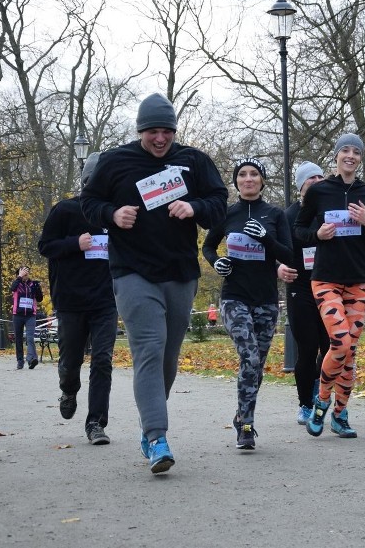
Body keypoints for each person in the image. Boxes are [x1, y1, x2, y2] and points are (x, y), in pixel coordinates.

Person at [81, 92, 228, 473]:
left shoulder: (193, 161)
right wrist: (113, 214)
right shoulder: (116, 161)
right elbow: (89, 203)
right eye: (152, 132)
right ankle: (158, 436)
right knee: (149, 346)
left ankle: (148, 428)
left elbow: (217, 204)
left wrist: (195, 207)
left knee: (167, 356)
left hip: (180, 273)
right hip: (132, 272)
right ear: (140, 130)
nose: (160, 139)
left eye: (167, 131)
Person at [294, 133, 365, 439]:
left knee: (351, 351)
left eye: (355, 152)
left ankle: (340, 414)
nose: (350, 155)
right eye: (344, 150)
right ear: (336, 156)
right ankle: (320, 402)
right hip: (325, 279)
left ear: (360, 158)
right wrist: (317, 235)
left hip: (358, 280)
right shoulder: (319, 192)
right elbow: (298, 230)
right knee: (341, 343)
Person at [202, 158, 293, 450]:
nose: (248, 179)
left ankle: (243, 415)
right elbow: (207, 246)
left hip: (266, 301)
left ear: (262, 181)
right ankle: (247, 428)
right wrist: (217, 262)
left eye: (254, 174)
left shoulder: (275, 215)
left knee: (257, 366)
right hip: (234, 298)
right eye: (242, 175)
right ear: (236, 182)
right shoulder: (228, 214)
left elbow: (290, 256)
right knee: (250, 358)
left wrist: (266, 239)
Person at [38, 152, 118, 446]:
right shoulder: (65, 210)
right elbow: (44, 246)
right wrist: (76, 243)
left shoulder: (114, 215)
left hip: (106, 301)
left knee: (102, 360)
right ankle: (68, 389)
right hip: (71, 301)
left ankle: (96, 423)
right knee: (71, 361)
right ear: (87, 181)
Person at [277, 161, 330, 425]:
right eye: (311, 178)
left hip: (329, 286)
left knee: (331, 346)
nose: (318, 180)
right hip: (299, 288)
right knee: (307, 349)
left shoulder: (329, 211)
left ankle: (318, 385)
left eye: (321, 176)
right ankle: (305, 404)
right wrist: (279, 267)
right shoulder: (288, 216)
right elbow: (275, 249)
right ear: (301, 186)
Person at [10, 266, 44, 369]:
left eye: (27, 272)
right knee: (18, 339)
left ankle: (31, 360)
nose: (26, 275)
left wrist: (38, 289)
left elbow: (40, 299)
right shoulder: (16, 283)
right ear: (19, 274)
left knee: (30, 338)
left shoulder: (32, 284)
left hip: (30, 316)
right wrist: (19, 277)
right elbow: (12, 288)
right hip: (18, 315)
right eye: (23, 273)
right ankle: (20, 361)